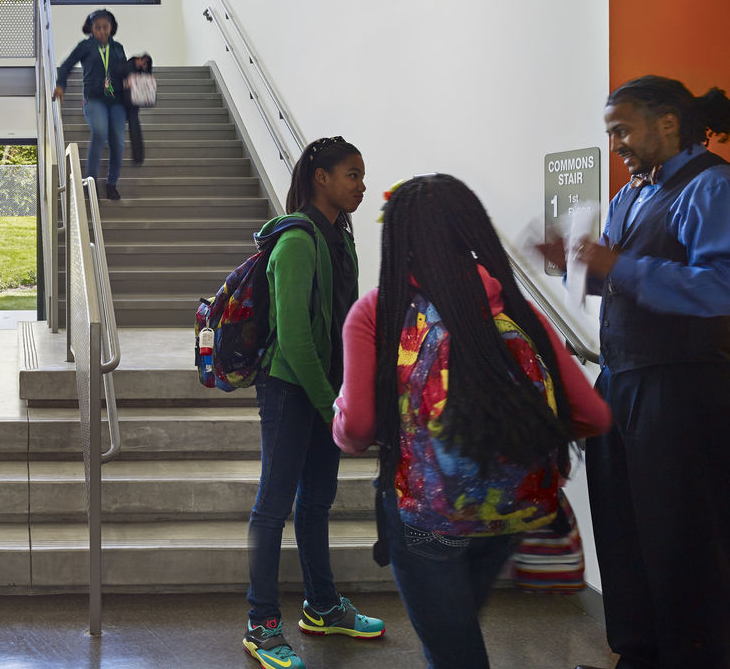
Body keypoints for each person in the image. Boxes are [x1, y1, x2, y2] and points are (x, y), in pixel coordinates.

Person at [336, 175, 611, 669]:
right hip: (508, 512)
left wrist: (343, 418)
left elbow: (355, 429)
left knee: (452, 650)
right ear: (473, 233)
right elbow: (592, 414)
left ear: (396, 237)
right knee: (460, 633)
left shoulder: (377, 312)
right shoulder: (519, 309)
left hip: (426, 520)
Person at [543, 76, 730, 669]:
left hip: (680, 385)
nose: (616, 143)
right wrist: (579, 267)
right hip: (621, 381)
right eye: (610, 132)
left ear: (668, 122)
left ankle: (691, 652)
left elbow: (720, 289)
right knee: (622, 524)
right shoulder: (630, 195)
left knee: (678, 531)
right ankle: (639, 650)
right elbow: (619, 276)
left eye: (622, 129)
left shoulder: (712, 188)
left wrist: (618, 265)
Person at [243, 137, 384, 669]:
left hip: (328, 389)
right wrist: (333, 409)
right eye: (352, 174)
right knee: (271, 508)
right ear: (321, 178)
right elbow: (297, 339)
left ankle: (322, 606)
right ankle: (261, 624)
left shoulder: (342, 239)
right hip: (289, 390)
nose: (362, 185)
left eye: (362, 175)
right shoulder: (297, 241)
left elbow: (347, 322)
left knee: (317, 502)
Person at [53, 10, 130, 200]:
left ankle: (111, 183)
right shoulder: (85, 46)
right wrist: (61, 85)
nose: (102, 31)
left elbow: (124, 71)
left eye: (106, 27)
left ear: (112, 28)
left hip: (117, 100)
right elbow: (65, 66)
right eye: (98, 28)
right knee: (100, 132)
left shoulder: (118, 47)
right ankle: (91, 181)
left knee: (118, 142)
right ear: (91, 29)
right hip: (93, 99)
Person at [126, 51, 153, 165]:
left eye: (146, 63)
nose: (143, 64)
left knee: (135, 127)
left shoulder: (145, 71)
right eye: (143, 61)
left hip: (133, 102)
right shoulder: (131, 62)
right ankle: (138, 157)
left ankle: (138, 157)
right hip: (123, 99)